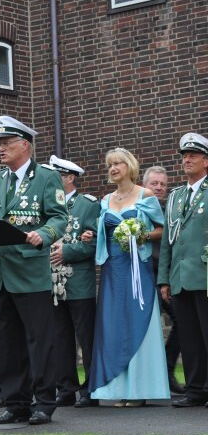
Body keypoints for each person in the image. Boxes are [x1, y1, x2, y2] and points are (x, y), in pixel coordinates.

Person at [0, 115, 68, 425]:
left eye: (7, 143)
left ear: (25, 145)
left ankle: (44, 402)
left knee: (39, 341)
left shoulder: (46, 177)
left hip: (30, 273)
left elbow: (59, 218)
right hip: (0, 274)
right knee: (7, 343)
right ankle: (16, 402)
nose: (1, 148)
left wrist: (43, 235)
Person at [85, 147, 169, 406]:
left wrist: (140, 235)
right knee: (113, 325)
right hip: (112, 270)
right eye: (110, 164)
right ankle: (117, 389)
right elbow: (102, 232)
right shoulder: (105, 200)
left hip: (137, 269)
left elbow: (162, 229)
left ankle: (140, 389)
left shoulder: (146, 195)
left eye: (118, 163)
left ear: (129, 166)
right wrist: (90, 235)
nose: (113, 168)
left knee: (136, 321)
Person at [158, 132, 208, 408]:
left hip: (204, 275)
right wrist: (164, 279)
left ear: (206, 161)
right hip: (180, 278)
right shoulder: (176, 196)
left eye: (193, 156)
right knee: (189, 338)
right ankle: (195, 389)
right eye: (185, 156)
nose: (187, 160)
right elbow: (168, 241)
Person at [49, 155, 100, 408]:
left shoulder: (87, 204)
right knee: (60, 338)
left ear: (69, 178)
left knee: (87, 338)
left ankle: (91, 389)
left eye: (56, 176)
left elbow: (96, 243)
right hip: (53, 283)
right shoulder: (49, 204)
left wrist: (67, 252)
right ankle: (66, 388)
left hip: (79, 282)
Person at [143, 166, 183, 394]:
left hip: (163, 278)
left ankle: (166, 371)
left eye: (163, 184)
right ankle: (149, 380)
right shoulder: (138, 208)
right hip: (142, 278)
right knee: (147, 331)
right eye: (154, 183)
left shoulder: (171, 210)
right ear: (144, 185)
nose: (159, 188)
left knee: (182, 322)